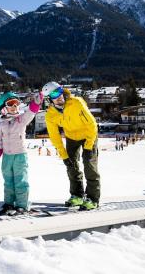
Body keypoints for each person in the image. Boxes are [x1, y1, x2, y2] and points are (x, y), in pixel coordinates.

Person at [42, 81, 100, 210]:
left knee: (89, 165)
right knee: (71, 166)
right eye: (53, 95)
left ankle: (93, 198)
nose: (58, 96)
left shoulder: (77, 103)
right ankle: (77, 196)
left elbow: (92, 124)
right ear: (49, 99)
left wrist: (89, 147)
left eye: (59, 92)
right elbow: (54, 136)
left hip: (88, 135)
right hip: (71, 137)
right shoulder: (50, 115)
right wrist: (64, 156)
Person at [0, 91, 43, 215]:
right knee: (8, 181)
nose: (15, 106)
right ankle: (9, 203)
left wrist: (36, 102)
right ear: (4, 108)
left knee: (20, 181)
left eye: (17, 103)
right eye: (11, 103)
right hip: (7, 158)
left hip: (20, 156)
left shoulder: (21, 120)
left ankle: (22, 205)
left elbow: (31, 113)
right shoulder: (1, 125)